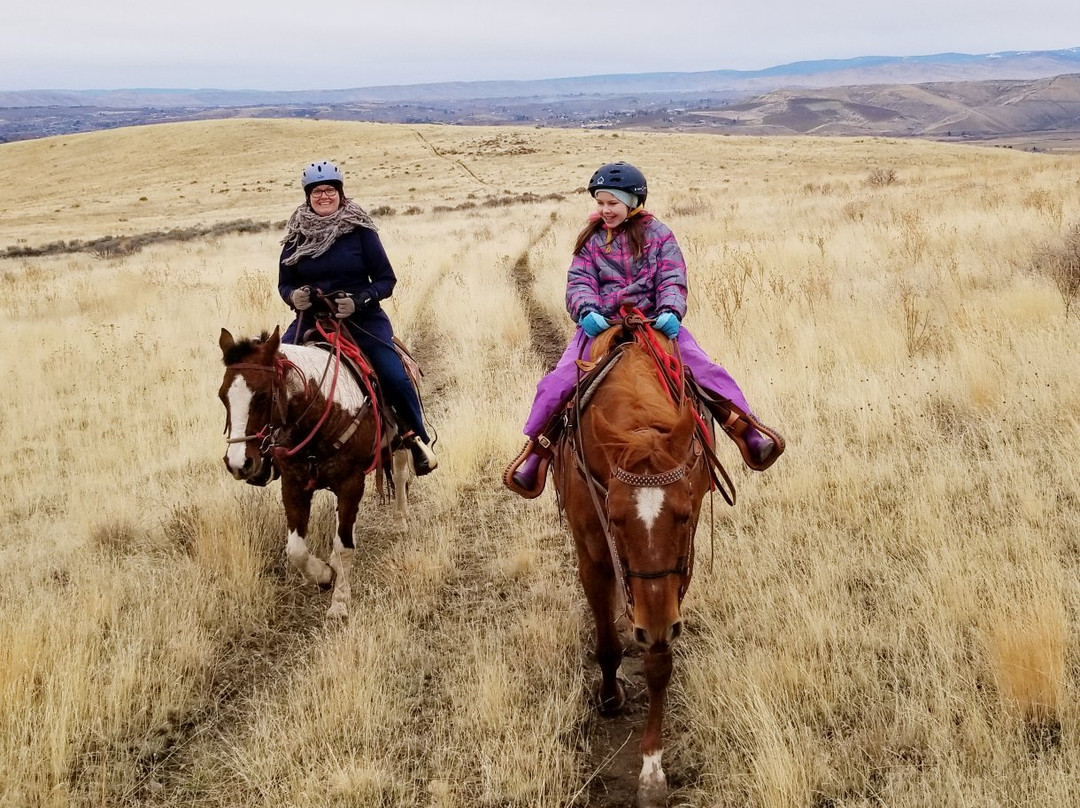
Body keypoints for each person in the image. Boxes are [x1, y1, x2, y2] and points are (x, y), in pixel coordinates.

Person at [504, 161, 783, 498]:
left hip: (653, 323)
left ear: (633, 202)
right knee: (558, 382)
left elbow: (672, 277)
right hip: (601, 326)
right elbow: (578, 282)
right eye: (600, 203)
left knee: (702, 369)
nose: (605, 210)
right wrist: (586, 311)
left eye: (612, 203)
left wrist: (670, 310)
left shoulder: (659, 235)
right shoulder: (592, 240)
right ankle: (538, 451)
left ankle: (745, 430)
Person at [278, 160, 437, 476]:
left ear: (340, 192)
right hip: (312, 321)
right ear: (308, 195)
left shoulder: (359, 230)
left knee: (394, 377)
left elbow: (386, 280)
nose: (324, 196)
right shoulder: (295, 236)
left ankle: (417, 440)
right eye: (317, 191)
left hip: (362, 320)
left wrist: (359, 299)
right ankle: (273, 452)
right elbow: (285, 282)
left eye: (330, 190)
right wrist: (292, 297)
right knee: (274, 372)